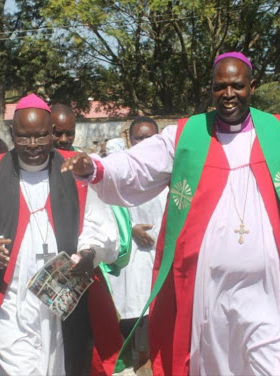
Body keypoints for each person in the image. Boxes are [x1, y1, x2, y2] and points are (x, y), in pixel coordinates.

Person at [62, 52, 280, 376]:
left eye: (237, 85)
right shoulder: (188, 135)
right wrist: (94, 166)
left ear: (252, 86)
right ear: (212, 89)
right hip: (209, 292)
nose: (229, 94)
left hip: (269, 292)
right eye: (220, 87)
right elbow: (138, 164)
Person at [0, 94, 123, 375]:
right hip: (11, 297)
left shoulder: (75, 167)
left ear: (52, 133)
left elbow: (98, 227)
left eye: (41, 136)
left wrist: (89, 252)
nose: (33, 145)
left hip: (63, 298)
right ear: (13, 134)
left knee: (60, 364)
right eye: (24, 137)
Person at [109, 117, 168, 373]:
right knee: (133, 326)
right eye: (138, 138)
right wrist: (130, 228)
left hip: (161, 260)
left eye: (150, 138)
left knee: (160, 326)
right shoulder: (119, 173)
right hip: (131, 265)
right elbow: (104, 212)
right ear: (128, 140)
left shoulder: (172, 172)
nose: (144, 143)